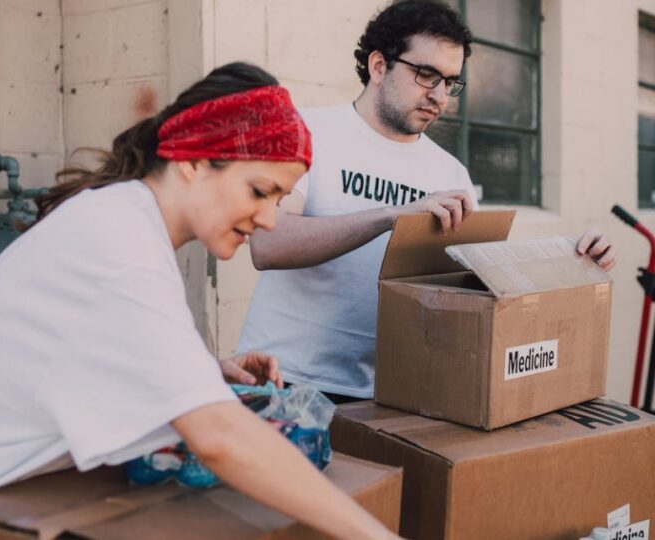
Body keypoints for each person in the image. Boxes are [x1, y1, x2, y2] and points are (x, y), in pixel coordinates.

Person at [0, 63, 400, 540]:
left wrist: (198, 370)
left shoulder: (121, 218)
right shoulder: (119, 242)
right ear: (195, 159)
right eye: (260, 192)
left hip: (8, 491)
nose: (270, 220)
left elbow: (69, 351)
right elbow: (219, 437)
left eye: (278, 199)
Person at [238, 0, 617, 403]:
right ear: (379, 65)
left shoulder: (451, 175)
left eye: (450, 82)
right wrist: (390, 215)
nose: (440, 96)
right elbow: (267, 244)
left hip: (386, 395)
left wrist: (573, 258)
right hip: (282, 380)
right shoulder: (306, 131)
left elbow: (479, 284)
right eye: (426, 75)